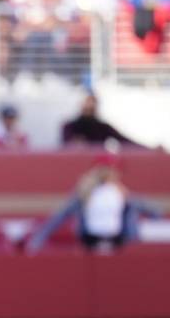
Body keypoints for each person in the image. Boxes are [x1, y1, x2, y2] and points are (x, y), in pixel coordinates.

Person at [25, 155, 161, 254]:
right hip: (91, 242)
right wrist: (37, 241)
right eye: (111, 169)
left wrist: (129, 202)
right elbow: (59, 217)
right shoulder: (85, 194)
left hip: (117, 242)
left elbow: (155, 213)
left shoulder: (121, 193)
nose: (116, 173)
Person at [61, 93, 142, 147]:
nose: (89, 108)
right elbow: (67, 143)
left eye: (91, 108)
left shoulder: (103, 127)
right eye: (87, 107)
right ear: (81, 106)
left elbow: (124, 140)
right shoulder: (69, 127)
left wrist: (149, 150)